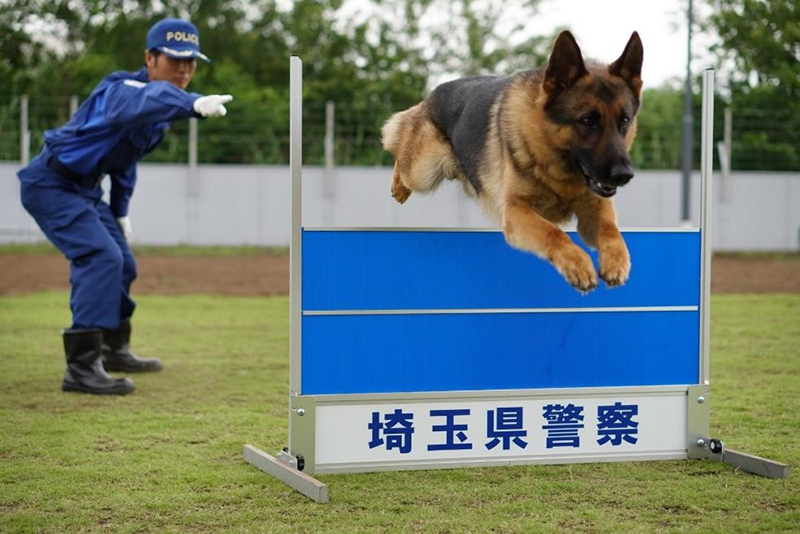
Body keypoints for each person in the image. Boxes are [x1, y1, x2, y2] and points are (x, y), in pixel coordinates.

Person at [17, 18, 233, 395]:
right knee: (101, 257)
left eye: (191, 62)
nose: (184, 69)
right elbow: (145, 99)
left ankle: (114, 349)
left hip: (85, 190)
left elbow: (124, 163)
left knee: (123, 263)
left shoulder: (160, 111)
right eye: (174, 59)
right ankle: (81, 369)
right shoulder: (120, 90)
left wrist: (120, 210)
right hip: (50, 183)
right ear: (149, 58)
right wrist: (194, 103)